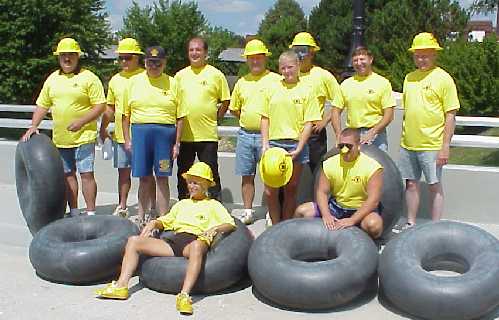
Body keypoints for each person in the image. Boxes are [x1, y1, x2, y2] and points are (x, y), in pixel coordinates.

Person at [94, 162, 236, 315]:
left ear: (205, 185)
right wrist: (154, 223)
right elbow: (167, 220)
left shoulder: (214, 205)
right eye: (189, 182)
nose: (191, 186)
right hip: (175, 241)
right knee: (133, 241)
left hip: (195, 240)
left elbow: (230, 224)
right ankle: (121, 286)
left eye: (195, 183)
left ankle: (184, 295)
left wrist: (215, 229)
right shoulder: (182, 204)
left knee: (197, 246)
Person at [22, 38, 106, 217]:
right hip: (61, 139)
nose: (67, 59)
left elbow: (100, 106)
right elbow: (42, 104)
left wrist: (82, 121)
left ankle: (91, 212)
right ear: (59, 57)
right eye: (63, 55)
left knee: (86, 175)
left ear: (78, 56)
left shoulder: (89, 77)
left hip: (84, 137)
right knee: (68, 176)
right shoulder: (52, 79)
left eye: (71, 55)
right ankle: (74, 211)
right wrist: (33, 125)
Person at [398, 32, 459, 230]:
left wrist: (445, 146)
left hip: (432, 144)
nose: (421, 59)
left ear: (434, 54)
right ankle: (411, 222)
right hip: (409, 143)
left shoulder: (444, 79)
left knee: (434, 186)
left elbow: (450, 114)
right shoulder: (409, 78)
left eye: (425, 55)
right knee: (411, 184)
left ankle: (435, 227)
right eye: (418, 55)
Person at [122, 46, 186, 226]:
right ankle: (142, 217)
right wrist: (127, 140)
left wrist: (177, 143)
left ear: (164, 63)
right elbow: (125, 116)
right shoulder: (133, 82)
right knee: (143, 177)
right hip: (141, 136)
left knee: (162, 175)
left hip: (164, 138)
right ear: (145, 62)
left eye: (158, 63)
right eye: (150, 62)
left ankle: (163, 218)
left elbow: (180, 117)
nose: (154, 66)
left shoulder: (174, 83)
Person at [260, 50, 321, 225]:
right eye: (283, 68)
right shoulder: (271, 88)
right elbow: (265, 118)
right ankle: (274, 224)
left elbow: (309, 122)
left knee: (291, 189)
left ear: (298, 66)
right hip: (273, 145)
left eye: (290, 67)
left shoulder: (308, 91)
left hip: (296, 145)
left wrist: (300, 147)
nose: (287, 71)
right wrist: (265, 145)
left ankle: (285, 225)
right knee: (271, 191)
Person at [295, 128, 384, 239]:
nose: (344, 150)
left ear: (359, 146)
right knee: (302, 212)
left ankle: (369, 248)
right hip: (337, 207)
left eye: (349, 146)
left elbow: (373, 200)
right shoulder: (329, 164)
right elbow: (322, 192)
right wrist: (326, 215)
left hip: (361, 209)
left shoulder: (372, 167)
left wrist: (352, 220)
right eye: (341, 146)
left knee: (373, 225)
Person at [229, 39, 281, 224]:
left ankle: (271, 212)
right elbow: (235, 108)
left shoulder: (276, 79)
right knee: (246, 174)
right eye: (251, 58)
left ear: (265, 58)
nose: (255, 61)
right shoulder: (242, 82)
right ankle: (248, 210)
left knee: (270, 176)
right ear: (247, 60)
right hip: (245, 135)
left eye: (258, 57)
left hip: (269, 136)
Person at [175, 37, 230, 201]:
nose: (194, 53)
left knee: (211, 172)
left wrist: (216, 117)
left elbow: (226, 100)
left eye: (198, 50)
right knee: (183, 173)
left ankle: (215, 204)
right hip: (185, 135)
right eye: (191, 50)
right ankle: (183, 203)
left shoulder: (216, 75)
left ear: (205, 52)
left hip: (207, 135)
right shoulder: (179, 76)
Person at [99, 38, 145, 218]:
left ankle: (146, 207)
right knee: (123, 173)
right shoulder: (115, 80)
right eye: (121, 58)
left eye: (128, 57)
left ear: (137, 58)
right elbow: (110, 107)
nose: (124, 61)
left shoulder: (145, 76)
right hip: (120, 136)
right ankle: (123, 205)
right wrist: (103, 128)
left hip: (141, 135)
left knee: (145, 175)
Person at [290, 32, 343, 173]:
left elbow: (339, 101)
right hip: (292, 133)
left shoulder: (323, 76)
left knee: (319, 172)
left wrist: (324, 121)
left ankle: (320, 195)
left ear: (312, 53)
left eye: (304, 50)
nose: (300, 55)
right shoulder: (289, 75)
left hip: (314, 133)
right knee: (288, 175)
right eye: (296, 51)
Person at [332, 46, 395, 152]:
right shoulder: (346, 84)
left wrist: (372, 132)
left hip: (376, 135)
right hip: (352, 134)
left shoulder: (382, 83)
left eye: (362, 59)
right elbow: (335, 111)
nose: (359, 63)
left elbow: (388, 115)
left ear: (370, 60)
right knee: (353, 167)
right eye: (355, 60)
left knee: (378, 166)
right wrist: (339, 135)